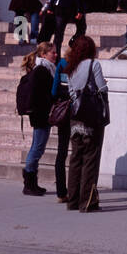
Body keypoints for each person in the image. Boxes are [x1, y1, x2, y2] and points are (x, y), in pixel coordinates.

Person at [65, 35, 108, 213]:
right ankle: (87, 201)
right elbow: (101, 88)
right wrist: (105, 85)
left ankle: (72, 200)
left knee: (76, 158)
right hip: (91, 117)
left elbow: (71, 91)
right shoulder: (93, 64)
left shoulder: (71, 67)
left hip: (75, 117)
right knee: (91, 158)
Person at [20, 40, 57, 196]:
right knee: (37, 148)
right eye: (52, 52)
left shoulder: (43, 68)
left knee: (37, 146)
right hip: (41, 114)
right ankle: (29, 183)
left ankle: (31, 183)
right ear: (43, 54)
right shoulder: (42, 70)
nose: (55, 55)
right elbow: (40, 94)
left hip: (40, 113)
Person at [51, 40, 73, 203]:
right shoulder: (81, 64)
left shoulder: (62, 63)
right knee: (79, 152)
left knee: (62, 151)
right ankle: (76, 189)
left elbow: (53, 89)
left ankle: (61, 192)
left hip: (63, 110)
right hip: (78, 111)